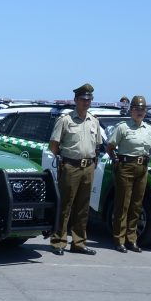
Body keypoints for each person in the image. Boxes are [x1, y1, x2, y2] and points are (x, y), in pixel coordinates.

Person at [48, 83, 102, 256]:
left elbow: (97, 145)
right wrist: (64, 161)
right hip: (70, 166)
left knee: (83, 207)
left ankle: (79, 242)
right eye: (83, 99)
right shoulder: (65, 120)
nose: (86, 102)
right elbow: (54, 145)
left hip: (88, 167)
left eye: (89, 99)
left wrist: (92, 163)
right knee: (65, 205)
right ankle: (58, 241)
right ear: (76, 100)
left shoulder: (94, 121)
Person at [106, 95, 151, 253]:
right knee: (123, 204)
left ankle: (131, 240)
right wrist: (115, 161)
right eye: (136, 109)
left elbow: (150, 148)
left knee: (136, 205)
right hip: (126, 166)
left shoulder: (150, 129)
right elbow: (110, 147)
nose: (139, 112)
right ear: (131, 110)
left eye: (142, 109)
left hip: (142, 168)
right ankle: (118, 239)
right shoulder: (122, 127)